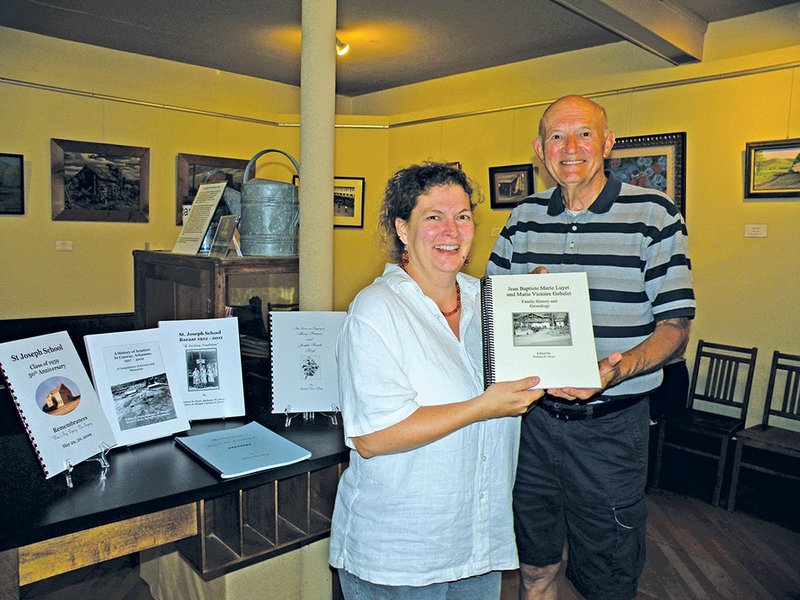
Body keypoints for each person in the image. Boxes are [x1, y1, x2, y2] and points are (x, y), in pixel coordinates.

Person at [486, 95, 695, 600]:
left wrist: (615, 372)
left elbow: (675, 325)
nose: (570, 147)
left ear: (608, 143)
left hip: (612, 430)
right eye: (557, 136)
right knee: (534, 568)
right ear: (540, 149)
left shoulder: (655, 214)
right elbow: (489, 310)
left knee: (608, 579)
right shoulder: (523, 218)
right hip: (531, 426)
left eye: (584, 133)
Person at [330, 162, 543, 599]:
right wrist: (482, 406)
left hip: (477, 544)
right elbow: (373, 436)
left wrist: (543, 314)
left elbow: (532, 377)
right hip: (399, 557)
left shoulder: (491, 303)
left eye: (463, 216)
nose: (452, 229)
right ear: (403, 229)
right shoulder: (376, 310)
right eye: (434, 217)